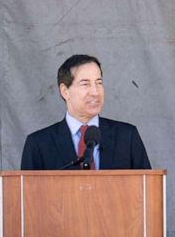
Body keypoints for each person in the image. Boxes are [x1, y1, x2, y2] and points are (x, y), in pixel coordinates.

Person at [20, 54, 151, 170]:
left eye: (99, 83)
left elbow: (147, 191)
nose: (95, 92)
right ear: (65, 91)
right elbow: (27, 195)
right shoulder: (39, 144)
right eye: (85, 84)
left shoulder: (127, 136)